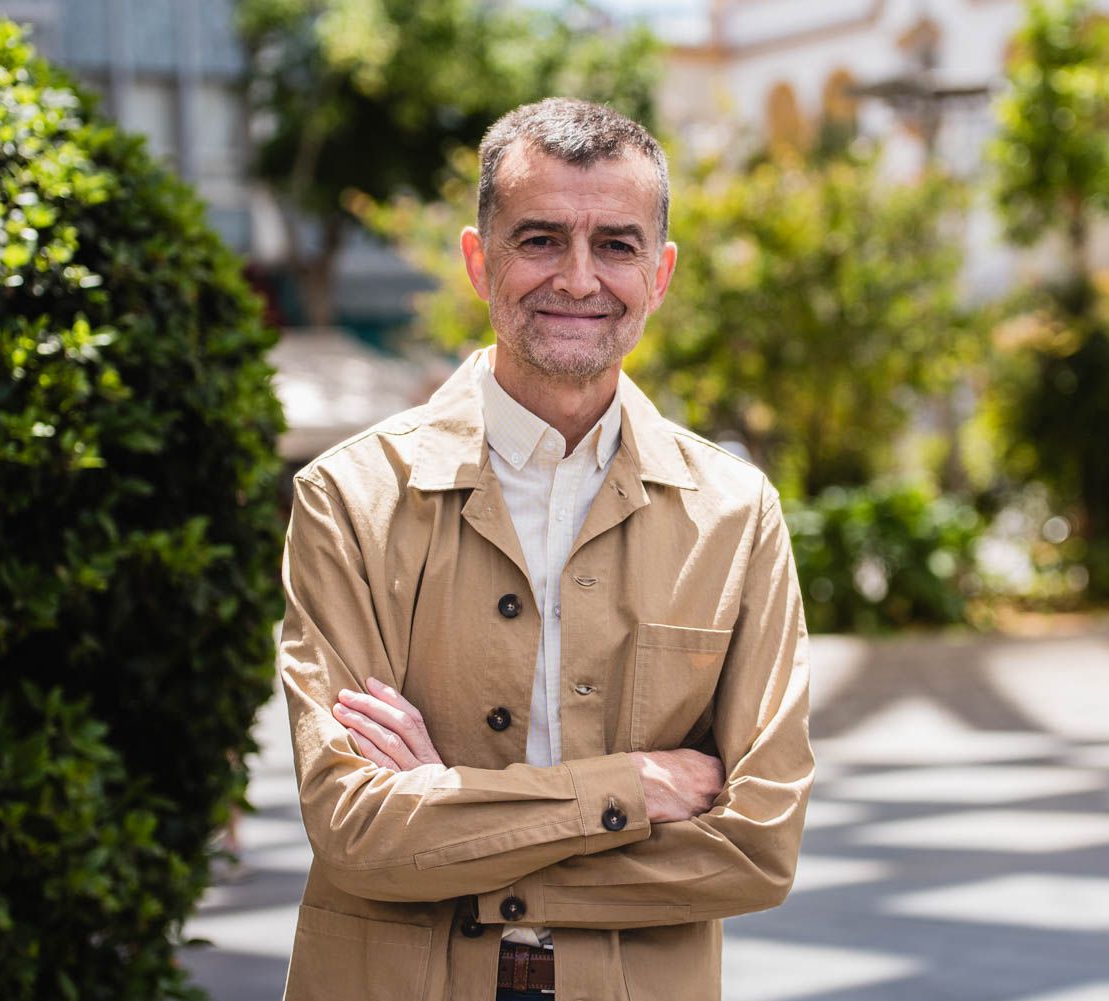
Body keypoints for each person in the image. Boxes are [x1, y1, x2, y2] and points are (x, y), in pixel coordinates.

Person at [278, 97, 813, 1001]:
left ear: (661, 271)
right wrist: (630, 789)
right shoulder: (348, 499)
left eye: (615, 243)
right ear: (479, 261)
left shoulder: (738, 514)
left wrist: (451, 821)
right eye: (538, 240)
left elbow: (758, 845)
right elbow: (357, 827)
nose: (577, 278)